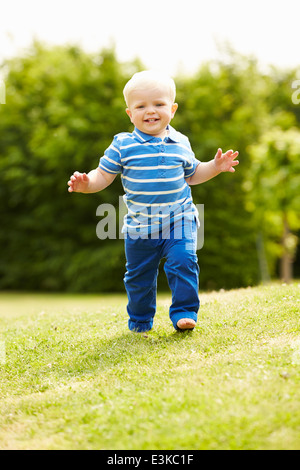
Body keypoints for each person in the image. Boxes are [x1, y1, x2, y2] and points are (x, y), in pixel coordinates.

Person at [67, 70, 239, 333]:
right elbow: (102, 175)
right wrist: (86, 183)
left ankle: (184, 312)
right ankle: (140, 320)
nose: (151, 111)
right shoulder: (123, 145)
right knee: (139, 279)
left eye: (159, 104)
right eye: (141, 106)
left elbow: (193, 175)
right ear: (130, 113)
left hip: (179, 219)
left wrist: (214, 166)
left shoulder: (181, 142)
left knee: (183, 261)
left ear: (173, 108)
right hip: (140, 228)